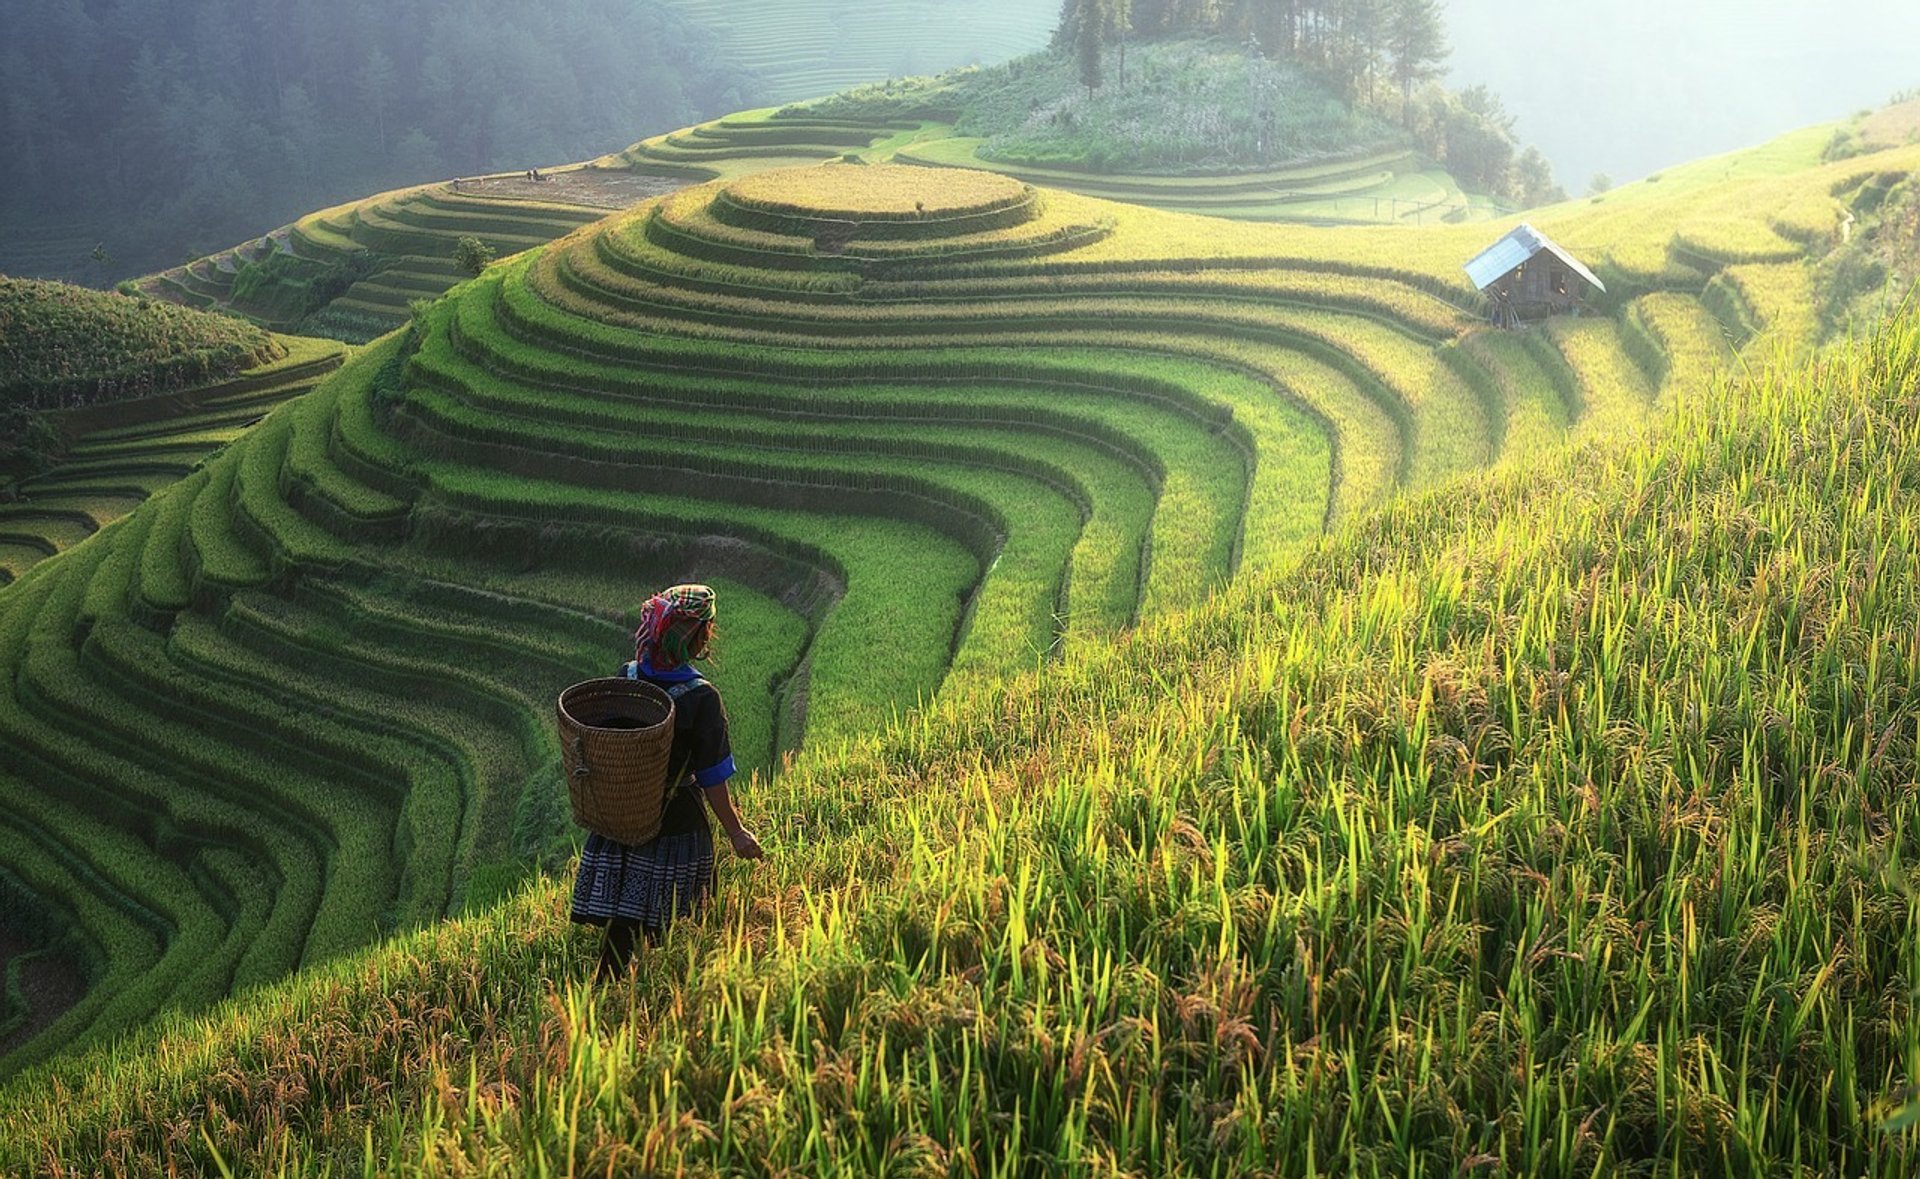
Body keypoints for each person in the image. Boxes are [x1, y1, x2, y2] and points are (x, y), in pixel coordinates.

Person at [570, 584, 763, 979]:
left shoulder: (627, 676)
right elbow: (712, 777)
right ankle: (683, 988)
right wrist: (737, 832)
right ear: (697, 636)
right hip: (676, 819)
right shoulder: (700, 697)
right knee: (692, 909)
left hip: (624, 814)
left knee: (624, 922)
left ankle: (608, 993)